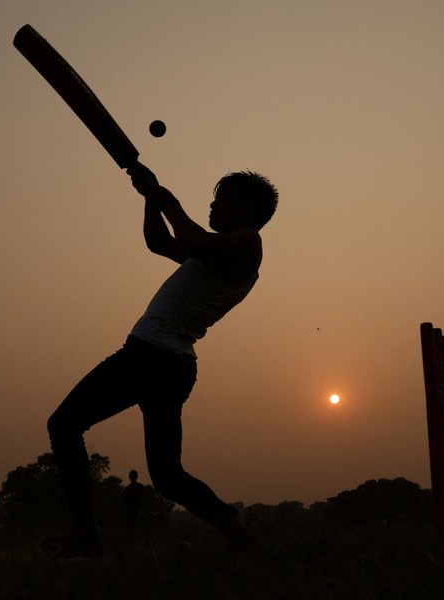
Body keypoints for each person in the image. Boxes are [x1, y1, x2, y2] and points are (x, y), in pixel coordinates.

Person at [46, 162, 278, 557]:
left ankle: (86, 535)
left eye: (222, 200)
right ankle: (244, 538)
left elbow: (196, 241)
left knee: (64, 424)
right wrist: (149, 199)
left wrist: (166, 197)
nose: (212, 205)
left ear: (249, 212)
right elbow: (158, 242)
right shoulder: (214, 255)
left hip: (151, 356)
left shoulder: (245, 243)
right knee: (168, 476)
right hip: (171, 364)